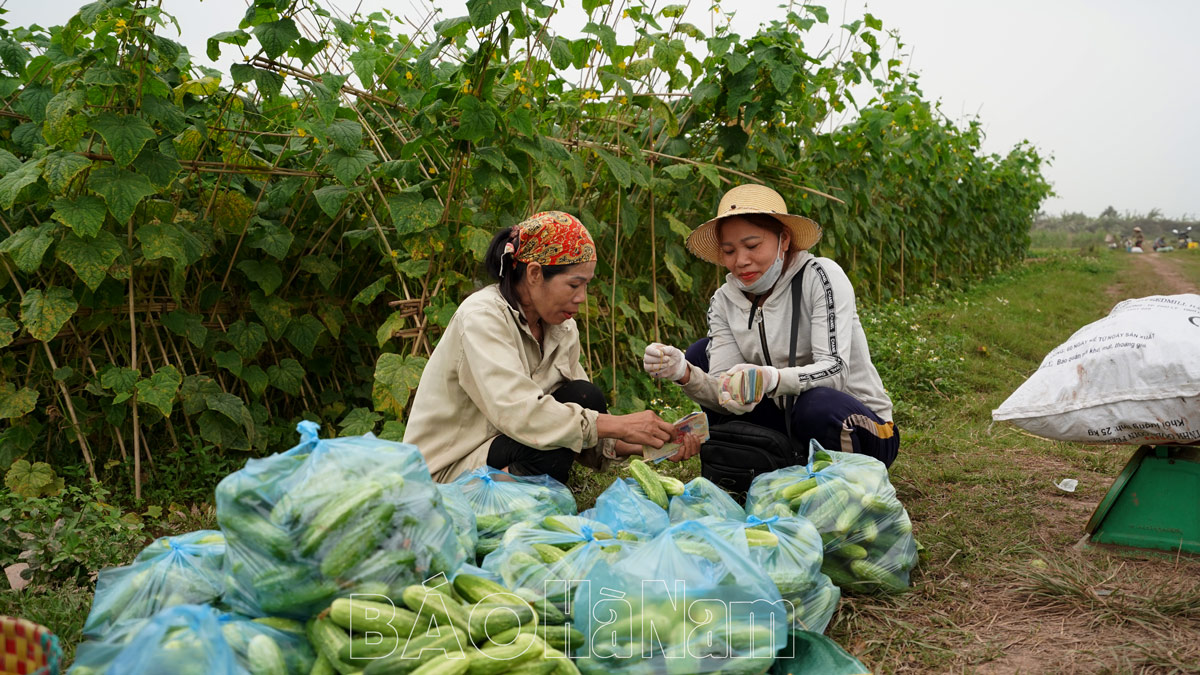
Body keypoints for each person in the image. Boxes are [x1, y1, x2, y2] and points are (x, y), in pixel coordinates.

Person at [404, 211, 698, 484]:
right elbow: (522, 415)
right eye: (574, 285)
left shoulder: (561, 325)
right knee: (547, 447)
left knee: (585, 396)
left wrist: (644, 442)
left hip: (508, 443)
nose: (582, 297)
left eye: (586, 285)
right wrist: (619, 424)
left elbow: (579, 413)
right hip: (449, 467)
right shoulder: (482, 317)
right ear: (534, 274)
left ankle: (524, 488)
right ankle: (486, 499)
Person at [642, 184, 898, 471]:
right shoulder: (724, 300)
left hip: (857, 425)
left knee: (816, 405)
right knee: (699, 354)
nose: (741, 261)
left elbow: (835, 370)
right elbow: (725, 396)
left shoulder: (821, 277)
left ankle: (847, 482)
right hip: (785, 426)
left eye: (752, 246)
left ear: (784, 239)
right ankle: (750, 463)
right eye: (729, 251)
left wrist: (770, 379)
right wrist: (684, 374)